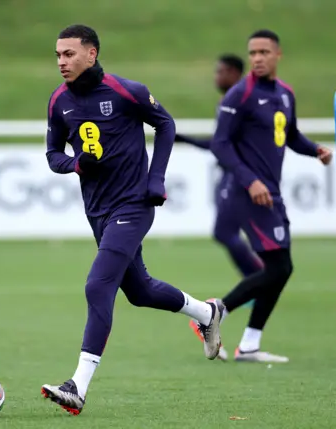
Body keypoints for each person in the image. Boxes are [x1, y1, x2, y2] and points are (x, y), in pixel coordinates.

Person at [41, 24, 223, 415]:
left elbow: (166, 124)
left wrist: (155, 178)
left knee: (97, 286)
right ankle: (208, 313)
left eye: (69, 54)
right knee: (139, 291)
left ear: (92, 54)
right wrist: (76, 164)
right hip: (98, 211)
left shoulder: (127, 92)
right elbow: (53, 154)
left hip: (134, 204)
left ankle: (78, 386)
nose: (61, 62)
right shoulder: (59, 102)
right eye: (57, 55)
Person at [189, 29, 333, 364]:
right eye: (252, 52)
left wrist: (315, 150)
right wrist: (250, 180)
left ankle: (247, 343)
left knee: (279, 268)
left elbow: (291, 135)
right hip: (248, 193)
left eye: (264, 52)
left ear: (278, 55)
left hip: (270, 191)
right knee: (280, 266)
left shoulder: (285, 94)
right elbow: (221, 144)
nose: (257, 58)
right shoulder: (239, 95)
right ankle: (214, 312)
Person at [175, 54, 263, 320]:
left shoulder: (238, 102)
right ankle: (256, 281)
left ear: (236, 73)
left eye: (222, 72)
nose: (217, 77)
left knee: (224, 232)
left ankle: (257, 281)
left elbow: (222, 144)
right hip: (231, 175)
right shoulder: (228, 101)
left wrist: (185, 139)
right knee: (227, 232)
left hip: (238, 176)